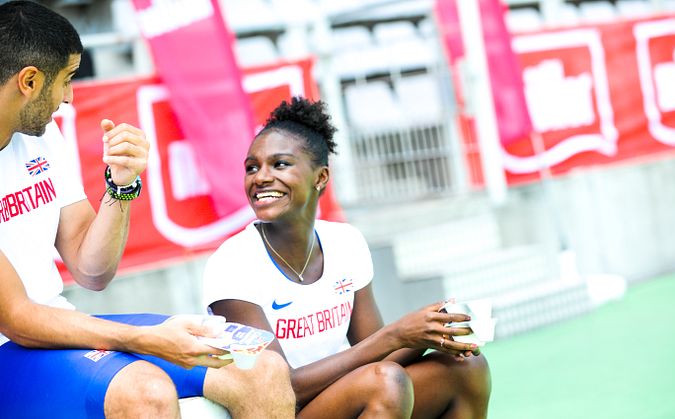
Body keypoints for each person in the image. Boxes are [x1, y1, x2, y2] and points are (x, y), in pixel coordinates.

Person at [0, 2, 295, 418]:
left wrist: (121, 185)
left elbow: (92, 271)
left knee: (260, 366)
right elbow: (17, 318)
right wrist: (148, 339)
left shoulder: (43, 137)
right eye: (66, 81)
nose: (68, 98)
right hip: (11, 347)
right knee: (145, 392)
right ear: (29, 80)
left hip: (52, 333)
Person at [203, 97, 492, 418]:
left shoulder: (346, 242)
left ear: (321, 177)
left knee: (466, 367)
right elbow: (278, 389)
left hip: (343, 398)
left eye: (280, 164)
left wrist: (429, 332)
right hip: (279, 411)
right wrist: (398, 334)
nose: (260, 177)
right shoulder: (232, 263)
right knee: (384, 382)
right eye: (252, 167)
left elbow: (376, 353)